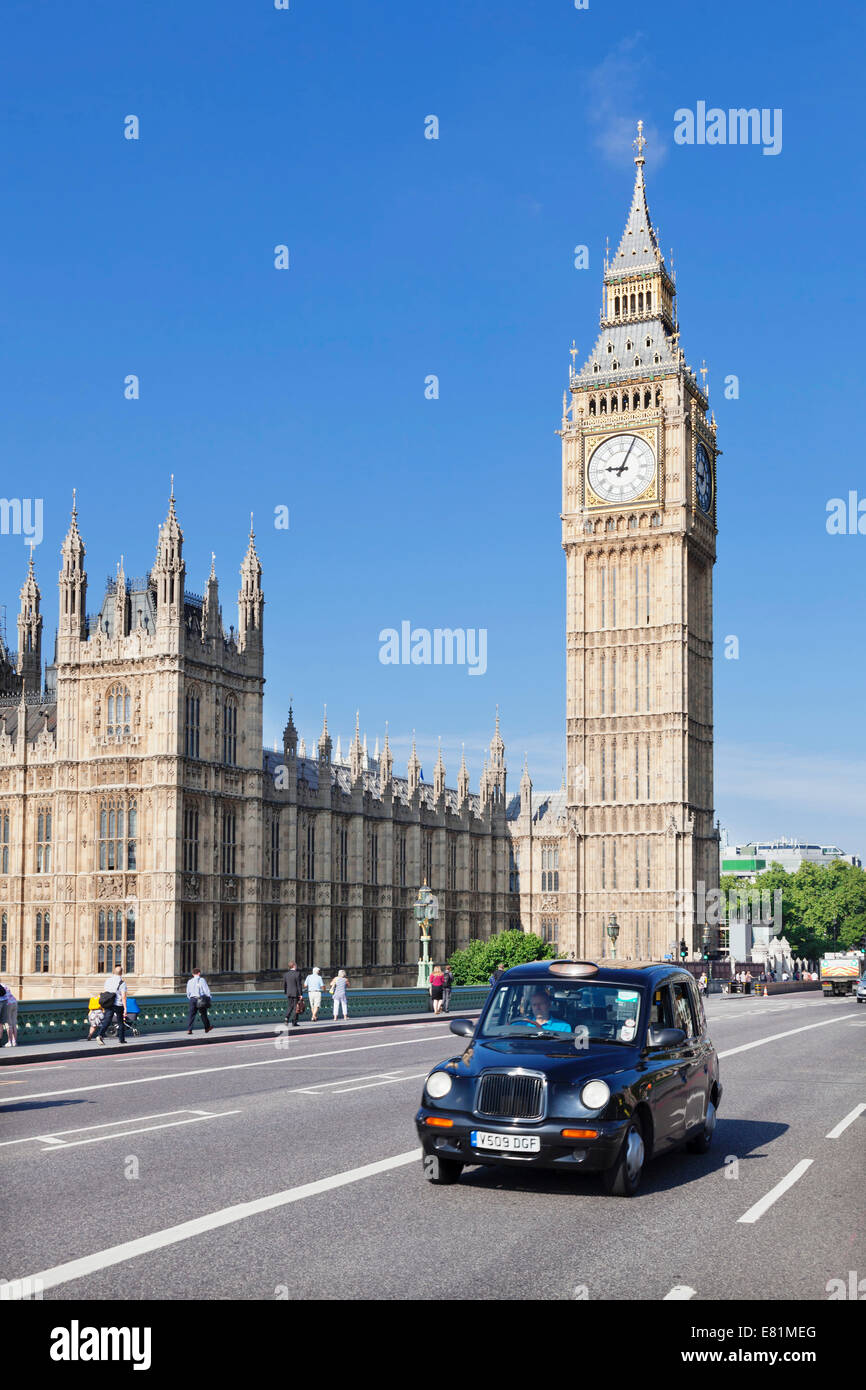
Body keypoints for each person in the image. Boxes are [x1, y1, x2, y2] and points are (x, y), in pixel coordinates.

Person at [96, 964, 128, 1045]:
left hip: (109, 1003)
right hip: (118, 1004)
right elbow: (123, 996)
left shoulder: (108, 980)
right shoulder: (122, 983)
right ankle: (121, 1039)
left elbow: (106, 991)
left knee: (107, 1020)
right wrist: (125, 1008)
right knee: (120, 1022)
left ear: (113, 972)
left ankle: (100, 1035)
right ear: (121, 973)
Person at [186, 967, 213, 1034]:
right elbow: (206, 989)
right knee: (203, 1014)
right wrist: (209, 997)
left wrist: (191, 998)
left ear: (193, 974)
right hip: (200, 999)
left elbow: (188, 992)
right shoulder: (202, 980)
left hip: (192, 999)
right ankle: (207, 1028)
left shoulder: (189, 981)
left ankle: (189, 1029)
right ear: (199, 973)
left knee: (191, 1015)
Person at [283, 960, 303, 1026]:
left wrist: (286, 992)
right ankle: (294, 1022)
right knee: (295, 1008)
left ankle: (286, 1018)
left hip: (289, 993)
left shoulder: (286, 974)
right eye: (296, 965)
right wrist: (301, 994)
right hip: (296, 993)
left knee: (289, 1007)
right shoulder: (297, 974)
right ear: (294, 966)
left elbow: (285, 984)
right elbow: (299, 985)